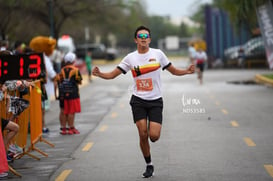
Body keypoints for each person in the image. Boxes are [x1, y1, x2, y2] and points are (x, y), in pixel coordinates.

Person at [92, 25, 195, 178]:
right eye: (140, 36)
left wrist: (186, 71)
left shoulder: (158, 54)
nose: (143, 39)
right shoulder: (130, 58)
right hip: (138, 100)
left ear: (150, 39)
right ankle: (149, 164)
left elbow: (173, 71)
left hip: (155, 101)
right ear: (136, 40)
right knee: (142, 133)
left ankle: (150, 150)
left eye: (146, 36)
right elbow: (113, 75)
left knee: (153, 136)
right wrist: (100, 74)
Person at [56, 52, 82, 135]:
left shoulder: (62, 70)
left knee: (63, 111)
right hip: (73, 94)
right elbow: (79, 81)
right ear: (73, 60)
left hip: (62, 94)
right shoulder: (75, 70)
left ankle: (64, 128)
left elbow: (58, 81)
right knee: (71, 111)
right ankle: (71, 128)